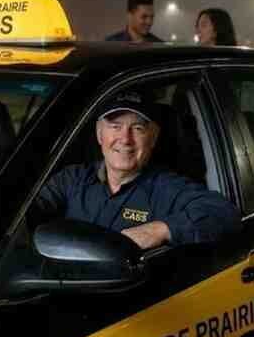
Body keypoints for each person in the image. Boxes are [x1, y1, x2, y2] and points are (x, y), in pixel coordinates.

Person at [30, 93, 241, 249]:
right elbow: (25, 214)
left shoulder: (166, 188)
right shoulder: (72, 179)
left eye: (138, 129)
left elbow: (224, 213)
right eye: (115, 127)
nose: (126, 139)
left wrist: (159, 229)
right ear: (99, 134)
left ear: (153, 138)